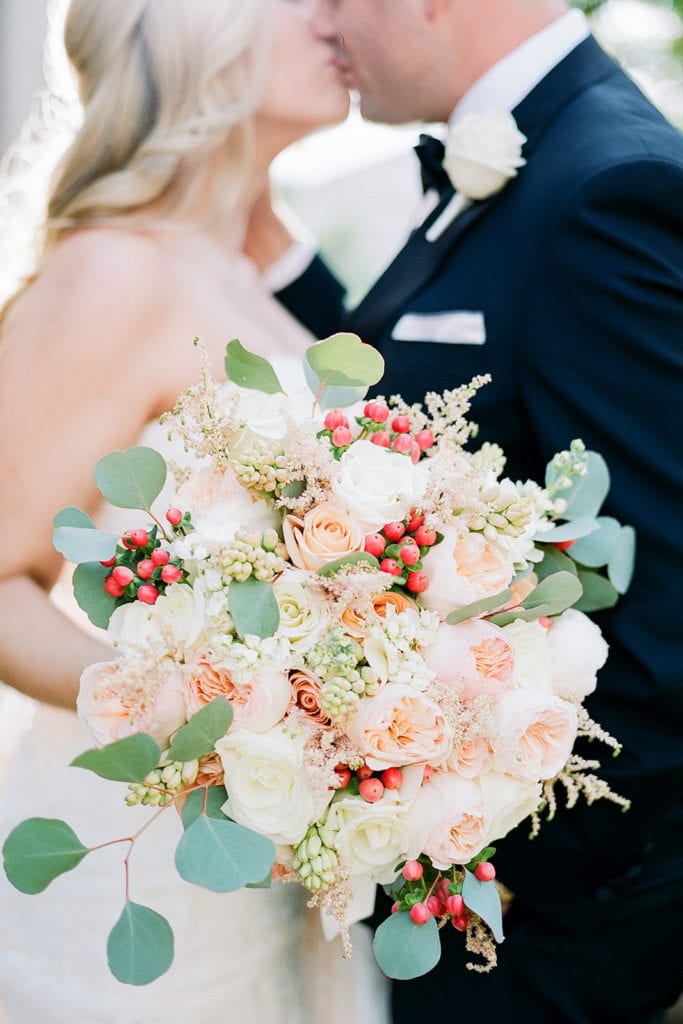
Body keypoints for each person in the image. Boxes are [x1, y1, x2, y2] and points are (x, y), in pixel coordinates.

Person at [251, 0, 683, 1020]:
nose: (319, 20)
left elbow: (668, 602)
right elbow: (456, 386)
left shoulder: (610, 184)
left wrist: (476, 860)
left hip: (539, 921)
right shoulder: (530, 157)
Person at [0, 2, 391, 1022]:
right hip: (139, 870)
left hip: (263, 873)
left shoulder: (239, 267)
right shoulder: (114, 270)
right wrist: (209, 729)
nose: (336, 14)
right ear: (199, 30)